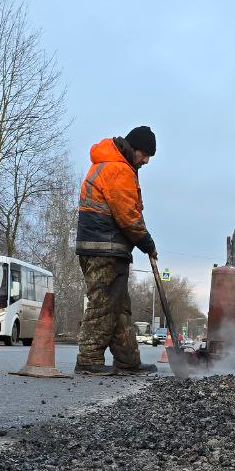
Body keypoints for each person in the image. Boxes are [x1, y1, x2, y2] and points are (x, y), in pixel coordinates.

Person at [74, 126, 160, 376]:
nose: (145, 161)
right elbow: (128, 217)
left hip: (106, 247)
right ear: (133, 149)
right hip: (104, 248)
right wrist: (148, 244)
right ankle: (88, 358)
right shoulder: (118, 169)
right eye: (144, 155)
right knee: (103, 304)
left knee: (119, 307)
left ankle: (127, 360)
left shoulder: (117, 165)